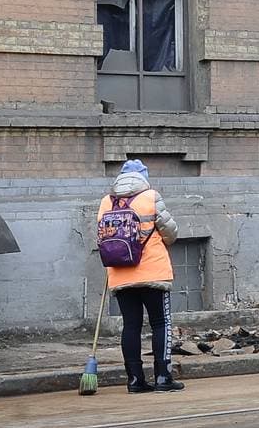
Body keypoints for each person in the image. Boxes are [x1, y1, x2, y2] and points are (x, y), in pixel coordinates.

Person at [98, 159, 184, 394]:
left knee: (131, 326)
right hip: (153, 272)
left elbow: (101, 236)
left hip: (120, 274)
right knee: (160, 323)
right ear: (143, 178)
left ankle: (135, 380)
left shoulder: (106, 201)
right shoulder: (151, 197)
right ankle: (163, 377)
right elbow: (171, 233)